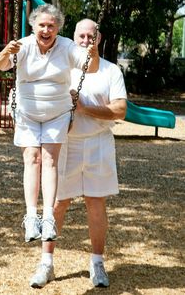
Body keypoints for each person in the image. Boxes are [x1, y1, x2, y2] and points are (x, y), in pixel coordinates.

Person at [30, 19, 127, 288]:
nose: (86, 41)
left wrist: (85, 108)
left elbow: (119, 110)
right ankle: (46, 263)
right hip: (67, 144)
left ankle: (97, 263)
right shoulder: (63, 67)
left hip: (99, 143)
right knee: (57, 203)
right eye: (81, 36)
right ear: (74, 38)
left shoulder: (111, 71)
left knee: (96, 203)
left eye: (91, 36)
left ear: (99, 39)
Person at [0, 6, 99, 244]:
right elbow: (1, 66)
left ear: (58, 28)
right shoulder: (23, 45)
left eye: (51, 25)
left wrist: (94, 53)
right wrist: (5, 52)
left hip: (57, 113)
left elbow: (90, 68)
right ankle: (31, 217)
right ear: (34, 27)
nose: (46, 30)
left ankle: (49, 217)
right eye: (42, 25)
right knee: (32, 158)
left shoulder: (67, 46)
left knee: (50, 160)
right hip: (27, 113)